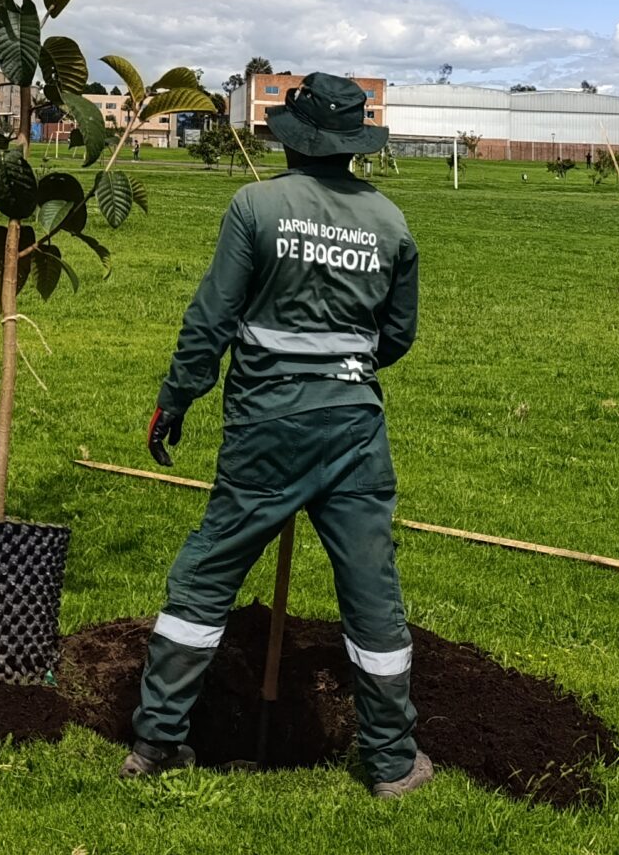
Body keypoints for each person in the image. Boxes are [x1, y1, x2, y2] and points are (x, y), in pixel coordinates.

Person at [121, 73, 431, 797]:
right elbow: (399, 336)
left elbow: (211, 320)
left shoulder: (254, 206)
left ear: (292, 140)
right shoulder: (390, 221)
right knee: (371, 590)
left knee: (206, 576)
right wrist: (343, 366)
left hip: (266, 425)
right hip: (355, 428)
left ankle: (158, 741)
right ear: (354, 144)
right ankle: (391, 763)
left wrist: (176, 400)